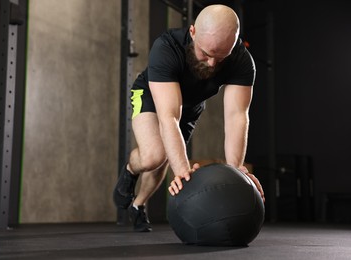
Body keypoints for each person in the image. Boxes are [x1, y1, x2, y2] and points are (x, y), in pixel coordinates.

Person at [113, 4, 265, 232]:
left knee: (165, 158)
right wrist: (182, 171)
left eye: (220, 57)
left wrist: (236, 171)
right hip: (152, 96)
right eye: (205, 53)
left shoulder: (242, 61)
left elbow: (236, 117)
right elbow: (168, 117)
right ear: (193, 32)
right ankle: (131, 170)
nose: (212, 63)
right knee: (155, 155)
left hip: (190, 105)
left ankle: (138, 205)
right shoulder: (167, 47)